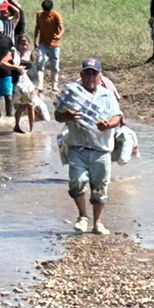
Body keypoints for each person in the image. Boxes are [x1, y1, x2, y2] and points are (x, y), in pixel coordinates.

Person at [53, 58, 123, 234]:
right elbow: (57, 115)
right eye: (87, 72)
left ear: (99, 76)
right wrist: (66, 115)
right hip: (78, 148)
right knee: (76, 183)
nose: (90, 76)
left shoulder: (107, 95)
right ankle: (83, 216)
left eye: (94, 73)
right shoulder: (72, 94)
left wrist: (108, 125)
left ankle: (98, 223)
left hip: (100, 150)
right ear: (81, 74)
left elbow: (118, 117)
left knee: (99, 188)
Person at [11, 36, 39, 135]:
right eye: (22, 44)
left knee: (27, 106)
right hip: (20, 86)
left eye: (26, 44)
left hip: (30, 85)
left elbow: (34, 70)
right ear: (18, 45)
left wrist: (36, 86)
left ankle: (27, 128)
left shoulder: (30, 54)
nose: (24, 46)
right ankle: (21, 127)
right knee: (25, 106)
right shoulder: (15, 55)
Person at [34, 0, 64, 88]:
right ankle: (40, 84)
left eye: (48, 11)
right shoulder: (39, 15)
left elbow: (62, 27)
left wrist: (59, 35)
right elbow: (37, 28)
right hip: (43, 42)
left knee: (54, 64)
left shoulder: (56, 15)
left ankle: (54, 84)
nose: (46, 13)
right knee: (40, 62)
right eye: (45, 11)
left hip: (54, 43)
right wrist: (35, 40)